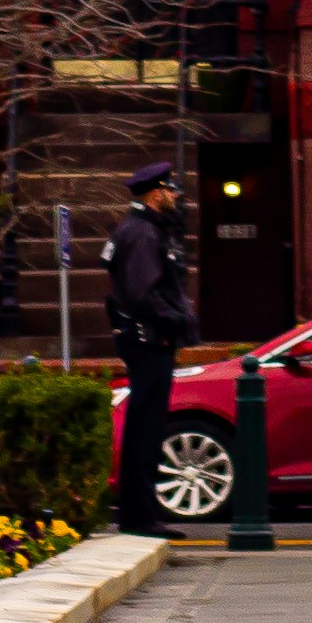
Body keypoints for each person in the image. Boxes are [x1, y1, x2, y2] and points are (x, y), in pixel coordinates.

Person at [103, 158, 196, 536]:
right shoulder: (142, 233)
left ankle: (141, 513)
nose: (175, 196)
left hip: (145, 338)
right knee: (146, 426)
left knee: (147, 424)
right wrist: (176, 319)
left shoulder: (139, 228)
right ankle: (140, 517)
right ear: (156, 192)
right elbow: (143, 292)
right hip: (148, 339)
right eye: (171, 189)